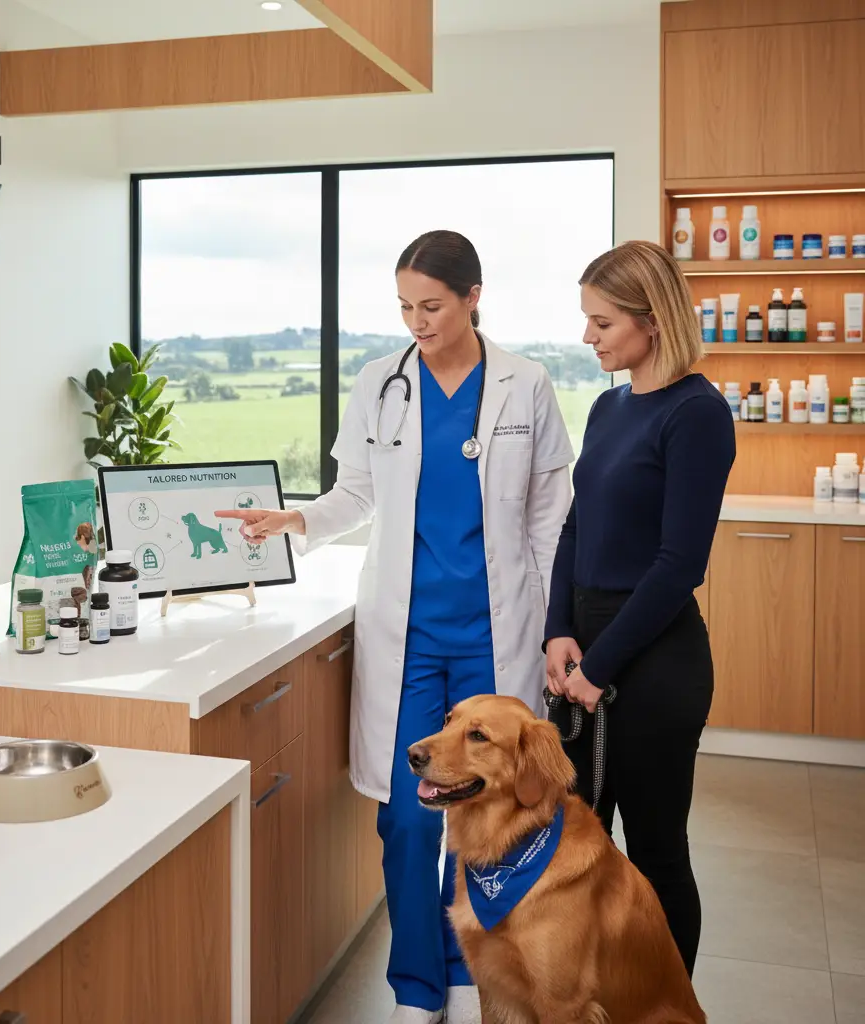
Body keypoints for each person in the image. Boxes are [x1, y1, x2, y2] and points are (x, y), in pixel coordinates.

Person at [218, 230, 574, 1024]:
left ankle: (466, 971)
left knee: (488, 813)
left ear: (473, 297)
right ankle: (417, 985)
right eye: (406, 306)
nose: (417, 322)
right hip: (409, 639)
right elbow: (356, 495)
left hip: (495, 636)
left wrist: (557, 625)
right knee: (410, 818)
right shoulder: (381, 382)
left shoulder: (525, 383)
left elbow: (551, 517)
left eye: (433, 306)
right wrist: (294, 520)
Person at [543, 239, 736, 978]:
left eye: (602, 323)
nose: (587, 337)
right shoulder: (608, 406)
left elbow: (679, 565)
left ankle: (665, 1007)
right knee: (577, 844)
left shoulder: (697, 413)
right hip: (585, 651)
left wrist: (599, 666)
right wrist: (559, 631)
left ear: (652, 320)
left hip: (653, 664)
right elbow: (576, 524)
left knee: (655, 853)